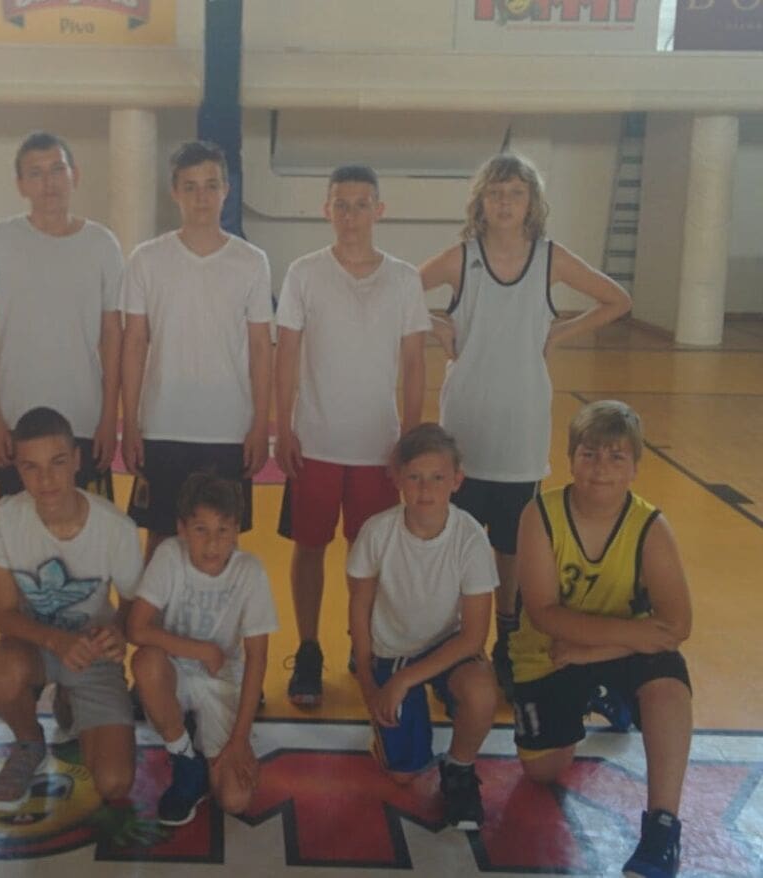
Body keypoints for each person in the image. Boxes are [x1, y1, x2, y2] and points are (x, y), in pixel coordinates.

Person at [419, 153, 631, 697]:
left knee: (511, 546)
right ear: (481, 202)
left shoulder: (550, 258)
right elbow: (398, 291)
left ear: (532, 202)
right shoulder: (463, 257)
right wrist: (435, 325)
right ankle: (457, 642)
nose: (505, 202)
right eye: (495, 193)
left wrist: (559, 333)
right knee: (461, 542)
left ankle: (507, 638)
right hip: (465, 423)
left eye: (515, 193)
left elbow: (617, 299)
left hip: (521, 426)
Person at [511, 400, 692, 877]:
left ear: (635, 467)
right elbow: (544, 613)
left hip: (600, 651)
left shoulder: (650, 527)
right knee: (542, 771)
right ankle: (602, 694)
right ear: (571, 459)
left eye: (616, 457)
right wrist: (628, 636)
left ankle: (663, 827)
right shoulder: (541, 514)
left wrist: (593, 652)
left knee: (669, 677)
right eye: (589, 454)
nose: (601, 468)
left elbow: (678, 626)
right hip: (550, 653)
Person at [274, 164, 430, 707]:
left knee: (370, 557)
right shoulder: (303, 273)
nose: (351, 214)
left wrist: (411, 442)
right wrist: (282, 427)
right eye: (341, 204)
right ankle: (309, 648)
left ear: (379, 210)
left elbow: (415, 363)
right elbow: (286, 355)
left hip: (378, 448)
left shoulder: (404, 279)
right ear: (327, 210)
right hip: (315, 443)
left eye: (362, 204)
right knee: (309, 548)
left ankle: (364, 646)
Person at [0, 407, 142, 813]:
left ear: (77, 460)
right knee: (3, 676)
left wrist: (118, 632)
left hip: (92, 653)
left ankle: (72, 700)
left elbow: (132, 604)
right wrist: (56, 641)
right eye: (31, 467)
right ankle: (29, 742)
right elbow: (4, 615)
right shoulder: (1, 521)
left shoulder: (115, 527)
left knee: (115, 783)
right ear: (17, 468)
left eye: (58, 463)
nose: (46, 480)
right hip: (34, 647)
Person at [121, 140, 272, 564]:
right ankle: (151, 611)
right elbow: (134, 343)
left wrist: (260, 424)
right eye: (190, 186)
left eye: (211, 185)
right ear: (175, 192)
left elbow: (261, 347)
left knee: (222, 539)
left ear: (226, 190)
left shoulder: (252, 261)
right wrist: (130, 423)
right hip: (162, 424)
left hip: (228, 429)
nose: (201, 197)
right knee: (160, 539)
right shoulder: (146, 259)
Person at [347, 424, 499, 830]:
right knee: (402, 775)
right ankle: (400, 722)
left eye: (437, 477)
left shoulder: (470, 537)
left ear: (457, 481)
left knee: (482, 691)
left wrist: (405, 681)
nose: (425, 489)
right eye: (414, 477)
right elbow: (359, 606)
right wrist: (368, 679)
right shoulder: (377, 532)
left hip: (448, 646)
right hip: (393, 650)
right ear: (397, 479)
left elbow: (474, 637)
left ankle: (459, 769)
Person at [0, 131, 124, 516]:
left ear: (75, 175)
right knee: (6, 534)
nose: (48, 182)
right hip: (12, 419)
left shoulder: (102, 244)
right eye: (35, 173)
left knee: (89, 536)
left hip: (83, 419)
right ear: (21, 184)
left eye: (57, 169)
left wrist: (109, 418)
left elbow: (112, 336)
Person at [128, 472, 277, 826]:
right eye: (201, 529)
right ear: (181, 528)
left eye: (223, 530)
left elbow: (257, 659)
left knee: (235, 798)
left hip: (219, 680)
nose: (212, 543)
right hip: (173, 672)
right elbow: (135, 628)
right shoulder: (169, 554)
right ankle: (185, 758)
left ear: (237, 530)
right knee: (146, 662)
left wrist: (239, 739)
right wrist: (200, 650)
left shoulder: (249, 571)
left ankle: (198, 730)